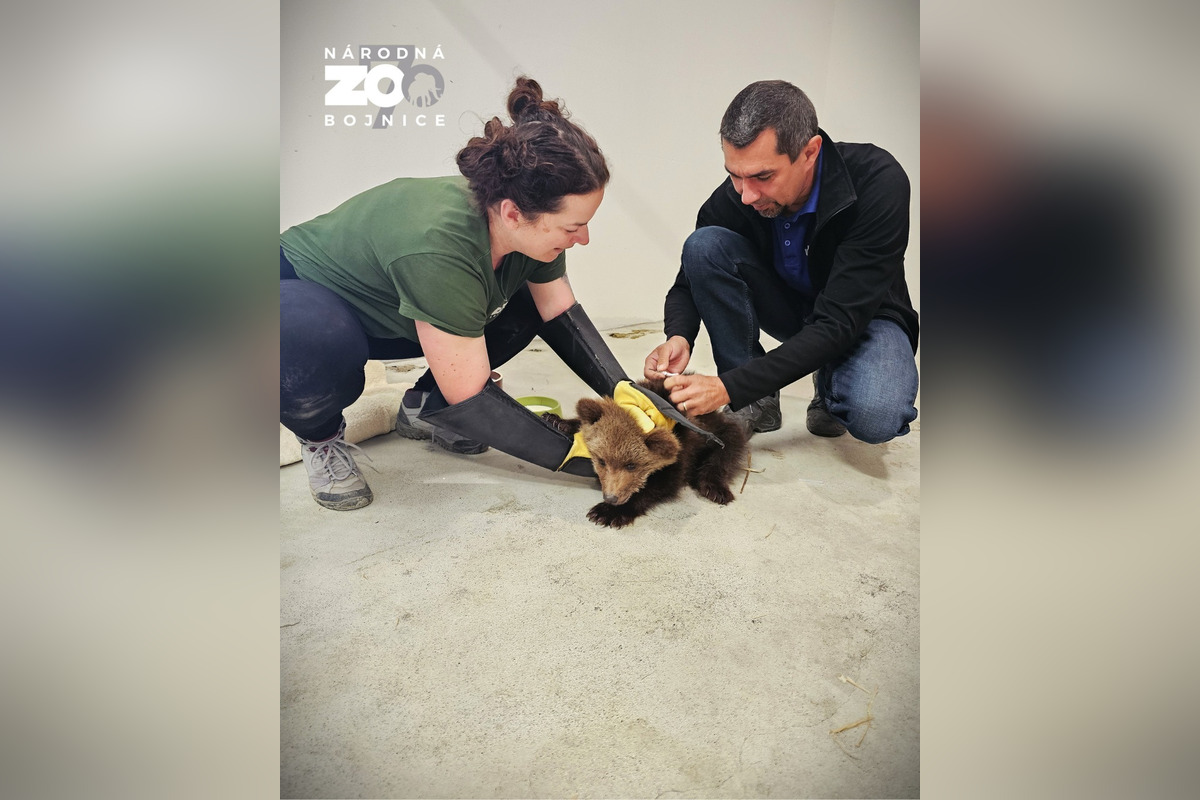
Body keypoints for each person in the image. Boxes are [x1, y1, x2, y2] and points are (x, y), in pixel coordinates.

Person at [281, 76, 638, 510]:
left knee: (528, 304)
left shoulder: (525, 228)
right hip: (298, 294)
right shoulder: (438, 245)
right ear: (513, 213)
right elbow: (469, 394)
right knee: (310, 341)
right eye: (572, 227)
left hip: (396, 308)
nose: (583, 239)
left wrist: (623, 390)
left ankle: (423, 408)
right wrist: (587, 461)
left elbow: (558, 313)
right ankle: (320, 438)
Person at [643, 80, 919, 443]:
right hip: (793, 310)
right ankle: (755, 402)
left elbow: (838, 322)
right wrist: (678, 335)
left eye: (763, 176)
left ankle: (830, 382)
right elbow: (687, 281)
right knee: (704, 245)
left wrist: (726, 387)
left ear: (810, 152)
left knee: (877, 415)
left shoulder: (877, 183)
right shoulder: (737, 196)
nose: (746, 195)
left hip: (861, 315)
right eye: (734, 174)